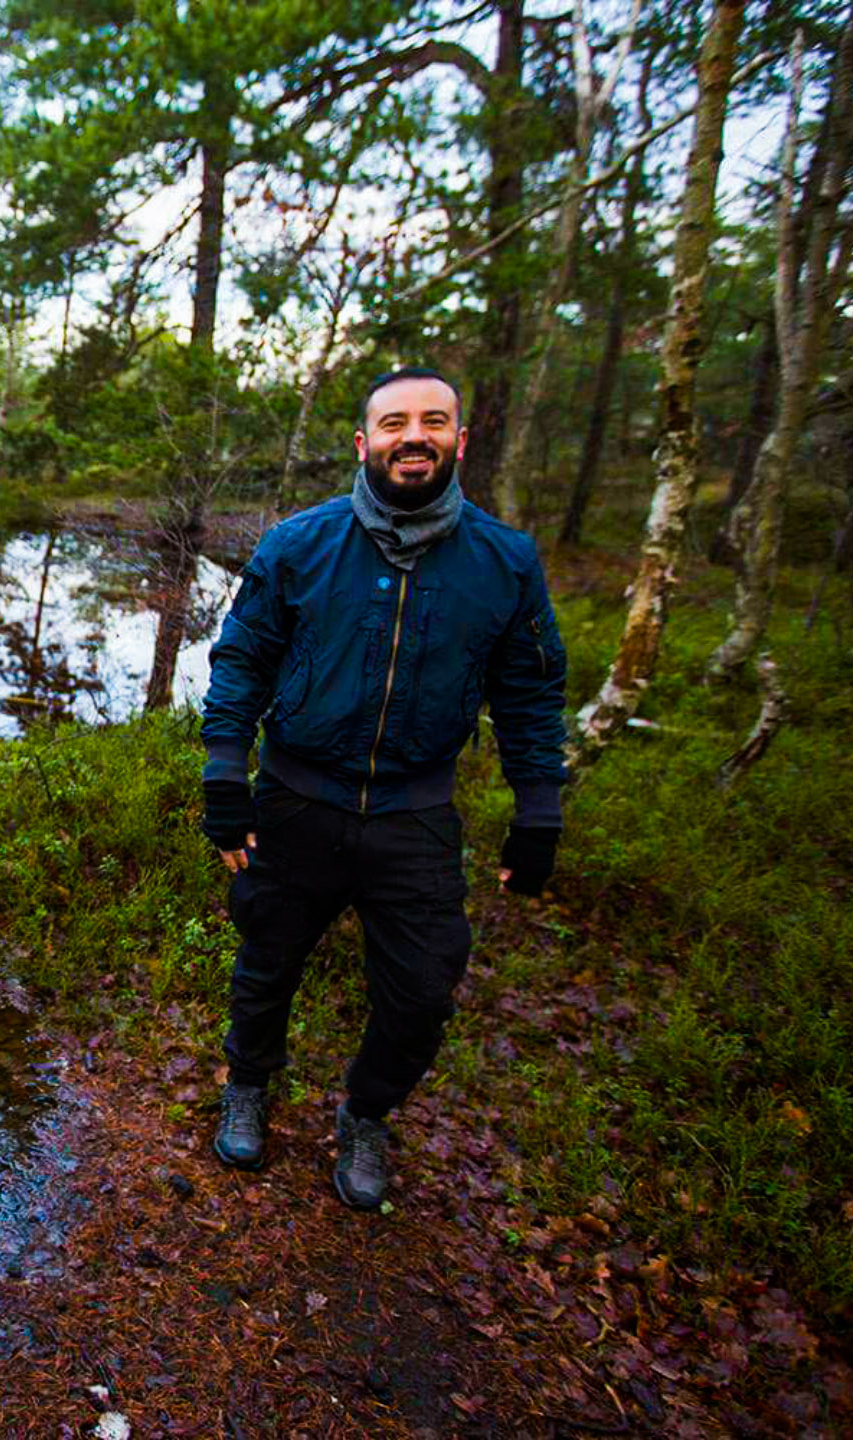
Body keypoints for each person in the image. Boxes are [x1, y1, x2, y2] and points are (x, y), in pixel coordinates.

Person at [198, 365, 567, 1211]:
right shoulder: (299, 544)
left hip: (416, 814)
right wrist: (226, 770)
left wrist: (537, 809)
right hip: (297, 799)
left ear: (458, 442)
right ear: (364, 444)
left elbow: (531, 690)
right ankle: (249, 1082)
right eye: (395, 423)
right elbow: (243, 657)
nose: (414, 436)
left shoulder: (505, 561)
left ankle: (366, 1113)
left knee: (424, 991)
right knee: (267, 960)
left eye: (433, 421)